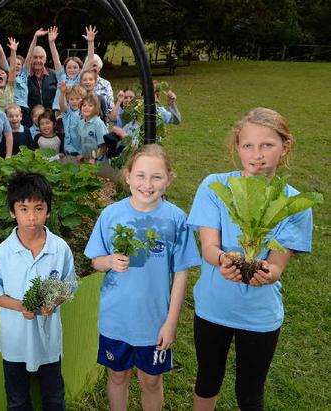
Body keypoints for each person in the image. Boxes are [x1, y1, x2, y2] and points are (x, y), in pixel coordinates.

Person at [187, 108, 314, 411]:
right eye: (248, 146)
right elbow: (209, 248)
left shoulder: (294, 203)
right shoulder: (214, 185)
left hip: (259, 316)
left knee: (250, 392)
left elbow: (276, 265)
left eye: (267, 145)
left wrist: (268, 272)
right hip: (213, 307)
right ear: (237, 148)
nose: (257, 155)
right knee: (206, 380)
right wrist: (223, 260)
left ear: (285, 147)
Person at [84, 144, 200, 410]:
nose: (147, 184)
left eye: (156, 177)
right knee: (117, 376)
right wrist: (109, 261)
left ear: (169, 178)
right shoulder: (111, 215)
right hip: (116, 320)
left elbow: (181, 275)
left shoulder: (176, 219)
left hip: (154, 323)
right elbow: (95, 262)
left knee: (150, 381)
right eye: (140, 175)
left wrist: (170, 323)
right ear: (127, 176)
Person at [0, 171, 77, 411]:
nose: (32, 217)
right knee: (17, 400)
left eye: (38, 208)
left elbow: (69, 283)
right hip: (14, 342)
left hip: (49, 343)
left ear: (49, 210)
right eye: (23, 209)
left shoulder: (60, 249)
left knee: (54, 398)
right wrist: (19, 306)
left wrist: (54, 302)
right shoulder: (4, 252)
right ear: (12, 211)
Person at [47, 26, 83, 111]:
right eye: (69, 67)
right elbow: (56, 59)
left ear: (80, 69)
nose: (72, 69)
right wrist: (51, 42)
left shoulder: (80, 78)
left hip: (75, 110)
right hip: (59, 109)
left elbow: (90, 61)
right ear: (65, 69)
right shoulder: (61, 76)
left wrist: (90, 42)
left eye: (75, 67)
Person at [26, 28, 58, 110]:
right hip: (30, 118)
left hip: (50, 117)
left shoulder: (54, 75)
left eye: (41, 57)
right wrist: (35, 37)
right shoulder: (25, 76)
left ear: (45, 59)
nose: (38, 60)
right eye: (35, 57)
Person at [76, 93, 108, 163]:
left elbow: (104, 145)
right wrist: (82, 155)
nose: (86, 107)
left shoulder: (98, 124)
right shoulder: (80, 123)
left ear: (96, 108)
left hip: (99, 161)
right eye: (84, 105)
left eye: (90, 106)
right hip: (87, 160)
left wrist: (95, 158)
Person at [58, 82, 86, 157]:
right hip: (70, 145)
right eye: (71, 99)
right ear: (68, 100)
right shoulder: (68, 111)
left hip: (83, 144)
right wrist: (62, 93)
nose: (74, 101)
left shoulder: (85, 111)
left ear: (83, 99)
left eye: (77, 99)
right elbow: (61, 105)